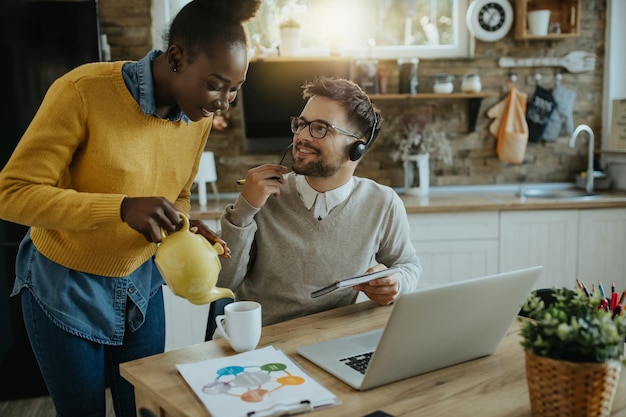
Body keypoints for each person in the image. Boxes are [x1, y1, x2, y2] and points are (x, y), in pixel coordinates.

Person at [0, 0, 260, 415]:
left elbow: (177, 193)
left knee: (144, 409)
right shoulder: (83, 91)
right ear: (177, 58)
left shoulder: (197, 118)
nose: (224, 103)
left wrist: (182, 226)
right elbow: (12, 193)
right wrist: (119, 208)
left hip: (140, 287)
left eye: (235, 88)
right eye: (215, 85)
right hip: (66, 286)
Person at [218, 76, 421, 326]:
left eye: (320, 128)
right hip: (263, 344)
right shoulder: (262, 196)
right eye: (301, 124)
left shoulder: (383, 203)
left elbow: (408, 264)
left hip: (331, 340)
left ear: (357, 148)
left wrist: (396, 282)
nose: (302, 136)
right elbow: (221, 283)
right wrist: (244, 210)